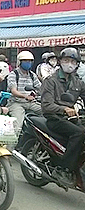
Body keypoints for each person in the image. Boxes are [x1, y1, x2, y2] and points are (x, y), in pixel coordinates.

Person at [42, 47, 85, 186]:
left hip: (71, 118)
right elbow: (47, 105)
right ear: (60, 61)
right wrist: (64, 109)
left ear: (77, 64)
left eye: (73, 61)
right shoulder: (51, 81)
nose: (69, 64)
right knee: (79, 133)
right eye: (66, 60)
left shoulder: (77, 81)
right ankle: (63, 169)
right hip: (54, 118)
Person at [7, 50, 42, 129]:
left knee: (48, 113)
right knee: (17, 125)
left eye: (30, 61)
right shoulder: (13, 74)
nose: (28, 63)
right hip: (16, 103)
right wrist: (25, 96)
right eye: (25, 61)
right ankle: (15, 140)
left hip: (31, 103)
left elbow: (40, 88)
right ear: (20, 62)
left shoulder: (33, 75)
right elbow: (14, 91)